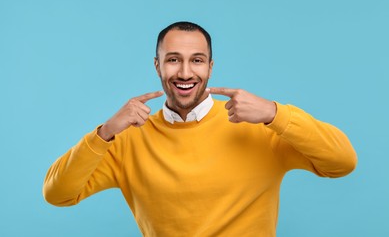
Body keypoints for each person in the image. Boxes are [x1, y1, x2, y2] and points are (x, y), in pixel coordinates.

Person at [43, 21, 357, 236]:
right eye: (173, 60)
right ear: (157, 66)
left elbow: (342, 162)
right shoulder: (127, 140)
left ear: (210, 67)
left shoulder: (260, 128)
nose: (184, 72)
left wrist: (275, 113)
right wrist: (105, 132)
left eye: (196, 60)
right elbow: (58, 194)